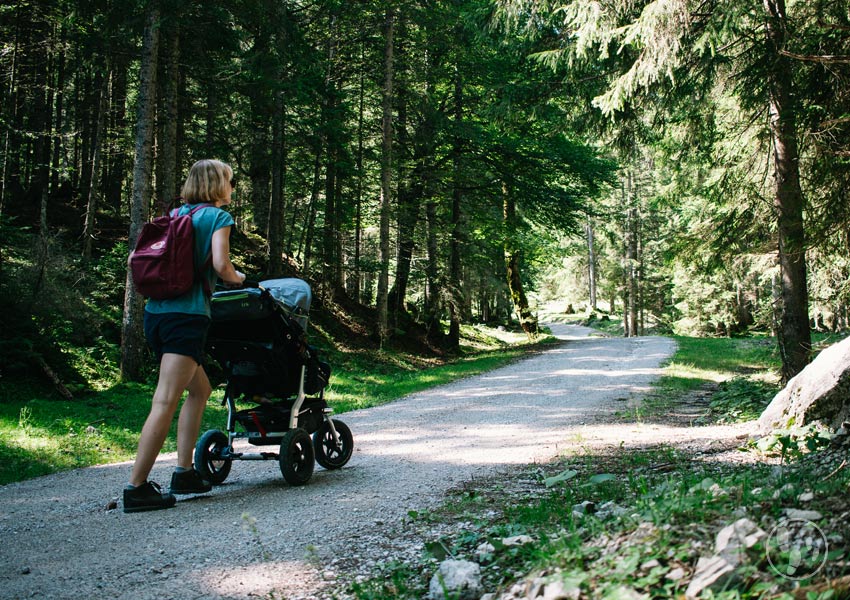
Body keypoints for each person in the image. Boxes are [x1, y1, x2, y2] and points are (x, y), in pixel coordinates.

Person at [124, 159, 245, 513]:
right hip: (187, 318)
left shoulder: (176, 215)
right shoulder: (218, 218)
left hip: (156, 316)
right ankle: (136, 488)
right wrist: (239, 278)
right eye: (229, 181)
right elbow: (222, 267)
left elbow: (137, 256)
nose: (232, 187)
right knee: (165, 400)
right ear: (218, 185)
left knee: (201, 389)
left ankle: (185, 472)